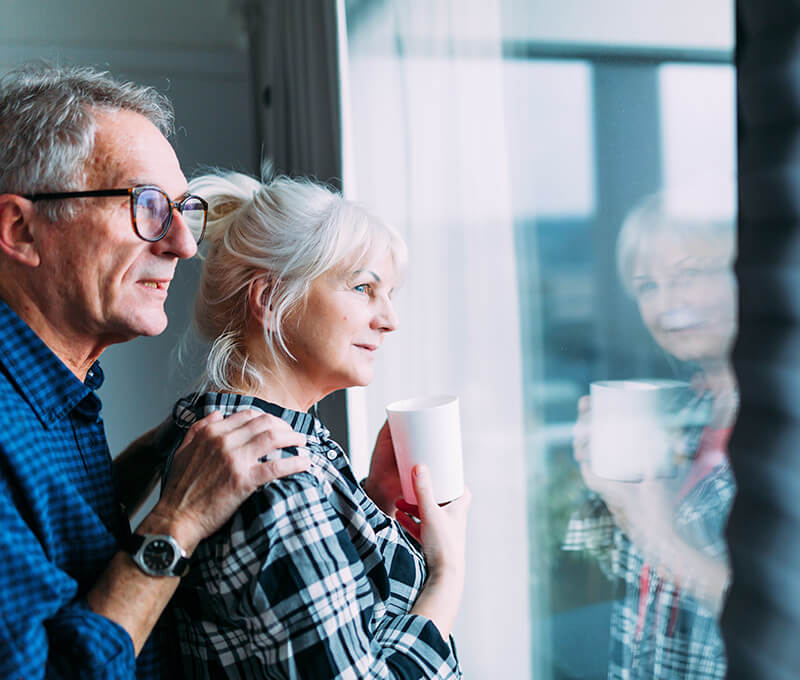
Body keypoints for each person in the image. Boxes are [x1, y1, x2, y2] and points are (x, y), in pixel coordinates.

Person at [0, 63, 313, 678]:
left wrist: (155, 461)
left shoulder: (57, 393)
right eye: (146, 205)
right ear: (20, 228)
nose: (183, 244)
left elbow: (49, 552)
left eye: (181, 209)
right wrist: (177, 521)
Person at [160, 169, 471, 678]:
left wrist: (371, 503)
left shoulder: (254, 432)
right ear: (270, 299)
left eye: (389, 293)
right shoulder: (266, 471)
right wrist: (447, 574)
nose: (389, 318)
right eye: (364, 287)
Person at [564, 186, 738, 679]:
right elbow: (616, 569)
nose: (666, 305)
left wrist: (660, 530)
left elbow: (774, 615)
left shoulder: (776, 432)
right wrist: (609, 490)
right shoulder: (687, 416)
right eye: (647, 286)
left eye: (688, 276)